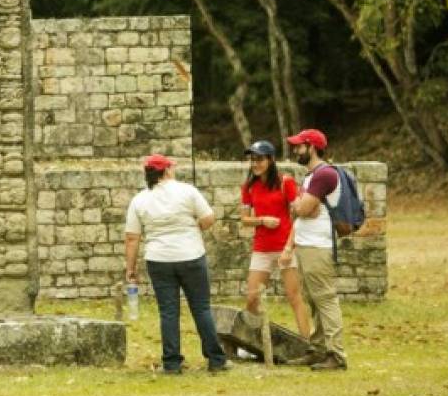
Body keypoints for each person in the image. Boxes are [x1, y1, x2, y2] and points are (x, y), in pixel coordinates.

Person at [124, 154, 230, 374]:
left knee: (168, 312)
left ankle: (171, 363)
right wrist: (195, 226)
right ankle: (216, 359)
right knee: (201, 308)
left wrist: (130, 269)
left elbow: (132, 238)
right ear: (167, 170)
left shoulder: (140, 199)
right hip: (191, 254)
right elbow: (209, 218)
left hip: (159, 259)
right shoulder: (187, 191)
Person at [280, 129, 348, 371]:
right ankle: (318, 350)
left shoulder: (324, 175)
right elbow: (302, 210)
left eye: (299, 146)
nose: (295, 150)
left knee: (326, 299)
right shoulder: (312, 176)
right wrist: (300, 206)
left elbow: (303, 210)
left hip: (319, 246)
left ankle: (336, 355)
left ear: (312, 147)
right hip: (308, 244)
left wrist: (298, 204)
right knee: (315, 300)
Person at [239, 140, 310, 339]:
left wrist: (290, 246)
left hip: (284, 248)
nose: (255, 164)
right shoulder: (248, 187)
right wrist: (261, 220)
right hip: (261, 248)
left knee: (294, 296)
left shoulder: (285, 182)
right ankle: (251, 343)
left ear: (271, 160)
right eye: (252, 159)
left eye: (260, 159)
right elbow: (244, 219)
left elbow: (299, 214)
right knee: (252, 298)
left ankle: (308, 342)